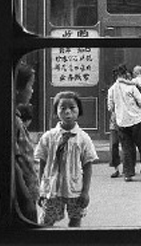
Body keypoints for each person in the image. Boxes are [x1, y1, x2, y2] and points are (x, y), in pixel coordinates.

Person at [35, 91, 98, 227]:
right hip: (52, 189)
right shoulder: (48, 137)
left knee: (75, 220)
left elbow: (88, 166)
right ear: (56, 111)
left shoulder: (83, 138)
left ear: (78, 110)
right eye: (62, 108)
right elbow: (42, 163)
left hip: (75, 188)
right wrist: (41, 189)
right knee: (47, 221)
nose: (67, 112)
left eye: (72, 108)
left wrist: (85, 192)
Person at [108, 64, 141, 182]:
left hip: (122, 122)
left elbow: (110, 107)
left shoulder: (111, 89)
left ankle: (128, 174)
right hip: (137, 120)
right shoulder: (131, 87)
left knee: (127, 148)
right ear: (125, 74)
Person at [14, 64, 40, 223]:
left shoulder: (16, 118)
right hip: (21, 194)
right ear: (18, 89)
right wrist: (26, 197)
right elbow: (16, 162)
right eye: (30, 85)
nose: (32, 91)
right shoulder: (14, 121)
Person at [107, 69, 122, 178]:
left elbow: (110, 107)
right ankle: (124, 168)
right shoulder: (112, 89)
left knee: (115, 144)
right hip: (121, 120)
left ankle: (120, 168)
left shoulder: (112, 89)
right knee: (123, 145)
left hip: (118, 119)